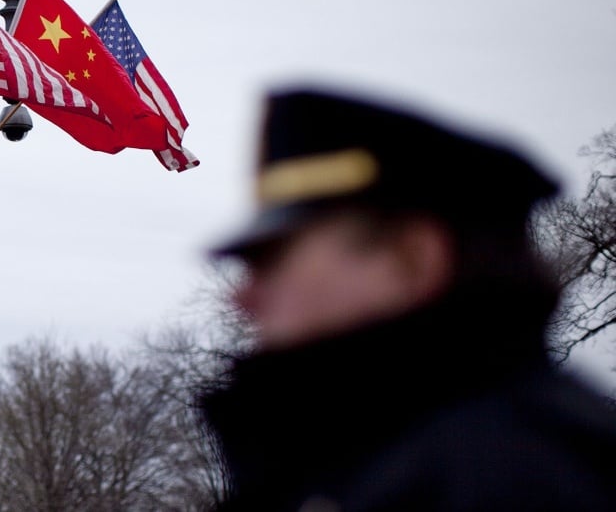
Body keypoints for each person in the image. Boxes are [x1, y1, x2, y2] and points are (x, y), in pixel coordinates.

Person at [201, 86, 616, 511]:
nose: (243, 297)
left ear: (414, 259)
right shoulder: (370, 459)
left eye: (271, 260)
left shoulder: (512, 477)